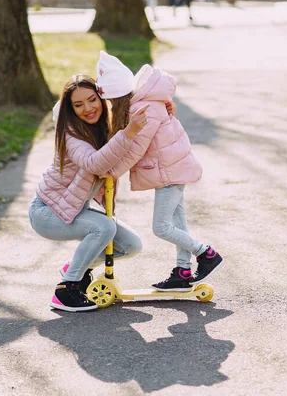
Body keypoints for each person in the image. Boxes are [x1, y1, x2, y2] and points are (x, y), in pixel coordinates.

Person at [95, 50, 224, 292]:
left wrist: (111, 172)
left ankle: (206, 254)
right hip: (171, 169)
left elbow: (135, 150)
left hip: (171, 172)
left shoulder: (142, 111)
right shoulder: (145, 104)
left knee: (162, 227)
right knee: (178, 223)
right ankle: (183, 271)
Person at [29, 75, 153, 312]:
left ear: (101, 98)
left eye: (92, 100)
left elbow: (132, 110)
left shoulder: (103, 127)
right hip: (46, 212)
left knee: (131, 245)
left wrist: (162, 111)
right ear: (70, 109)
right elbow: (94, 163)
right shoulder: (71, 133)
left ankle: (74, 269)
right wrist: (128, 133)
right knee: (104, 227)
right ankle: (66, 290)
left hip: (75, 208)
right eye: (78, 105)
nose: (87, 108)